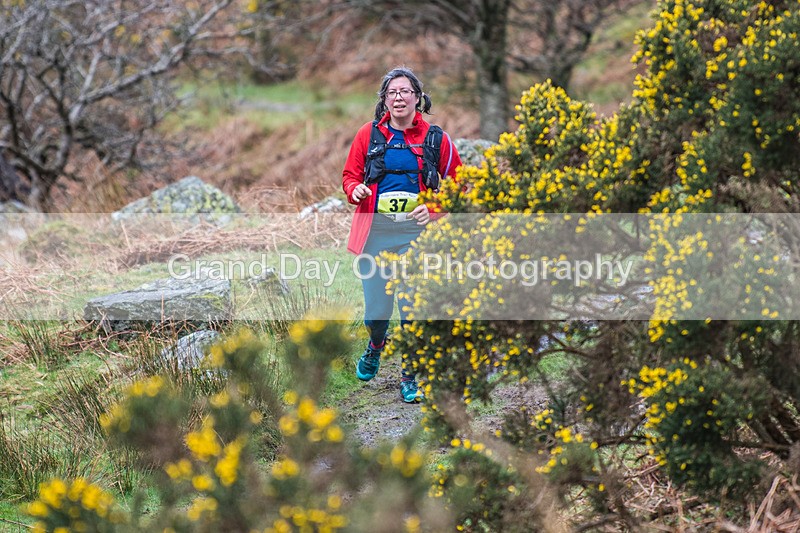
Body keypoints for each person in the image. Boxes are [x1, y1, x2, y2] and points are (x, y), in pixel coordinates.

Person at [341, 66, 462, 403]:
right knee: (376, 312)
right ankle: (376, 344)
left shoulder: (437, 138)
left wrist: (435, 208)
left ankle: (410, 377)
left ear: (418, 98)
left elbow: (461, 184)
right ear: (384, 100)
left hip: (417, 235)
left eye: (405, 91)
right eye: (392, 92)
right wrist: (357, 191)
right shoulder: (368, 134)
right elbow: (350, 176)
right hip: (376, 234)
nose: (399, 97)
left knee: (412, 308)